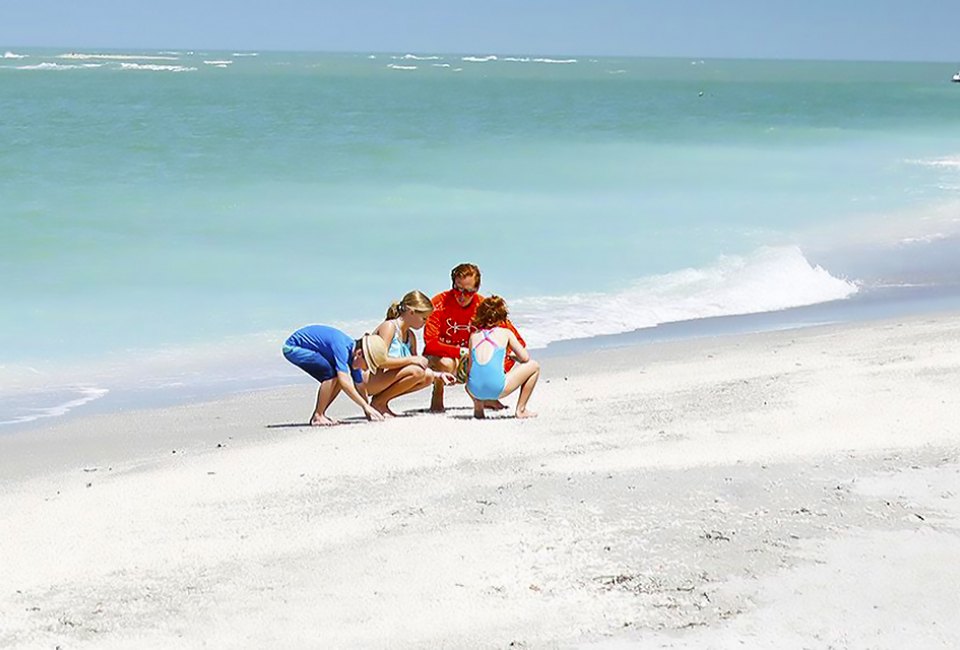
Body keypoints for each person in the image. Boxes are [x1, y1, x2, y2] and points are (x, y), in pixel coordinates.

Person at [423, 263, 526, 412]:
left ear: (476, 289)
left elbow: (517, 342)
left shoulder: (483, 307)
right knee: (446, 363)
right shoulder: (439, 303)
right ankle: (438, 393)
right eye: (457, 289)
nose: (461, 296)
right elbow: (430, 345)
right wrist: (462, 352)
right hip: (445, 360)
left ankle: (487, 397)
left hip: (476, 363)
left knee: (493, 355)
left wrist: (498, 368)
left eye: (467, 292)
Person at [366, 290, 456, 417]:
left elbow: (418, 366)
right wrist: (412, 360)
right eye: (424, 318)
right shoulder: (389, 327)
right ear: (411, 312)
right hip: (369, 380)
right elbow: (380, 362)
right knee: (416, 370)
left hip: (384, 380)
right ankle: (378, 403)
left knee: (427, 376)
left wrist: (439, 375)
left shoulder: (410, 336)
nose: (425, 322)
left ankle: (380, 402)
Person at [282, 325, 389, 426]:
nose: (366, 369)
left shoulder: (353, 357)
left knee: (336, 377)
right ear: (359, 354)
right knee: (331, 376)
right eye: (367, 365)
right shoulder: (342, 347)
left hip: (307, 348)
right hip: (292, 347)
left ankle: (320, 414)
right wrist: (365, 406)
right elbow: (345, 382)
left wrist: (368, 411)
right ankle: (318, 416)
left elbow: (360, 386)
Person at [465, 295, 540, 419]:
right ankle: (521, 409)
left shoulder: (474, 336)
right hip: (497, 389)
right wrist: (512, 356)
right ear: (502, 316)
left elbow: (470, 368)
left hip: (474, 390)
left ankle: (478, 409)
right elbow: (525, 358)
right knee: (534, 366)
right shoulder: (506, 333)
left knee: (473, 375)